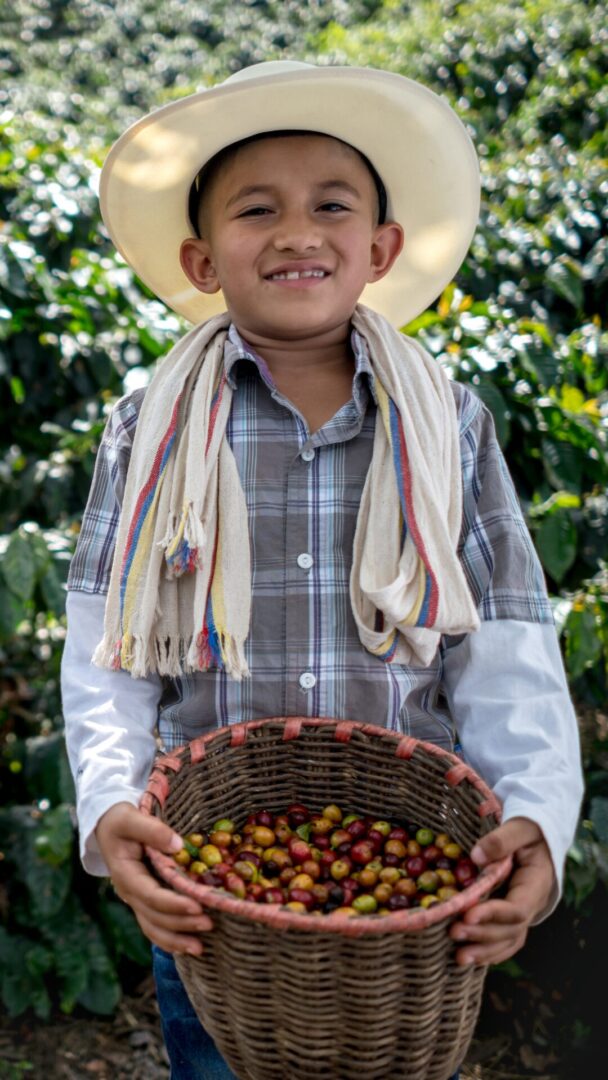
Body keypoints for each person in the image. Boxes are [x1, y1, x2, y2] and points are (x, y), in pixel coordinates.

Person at [60, 60, 584, 1080]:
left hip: (414, 892)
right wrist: (110, 804)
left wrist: (534, 815)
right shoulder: (148, 430)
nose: (297, 232)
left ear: (381, 249)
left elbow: (506, 640)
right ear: (201, 259)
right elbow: (107, 645)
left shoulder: (447, 424)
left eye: (331, 206)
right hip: (214, 890)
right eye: (256, 210)